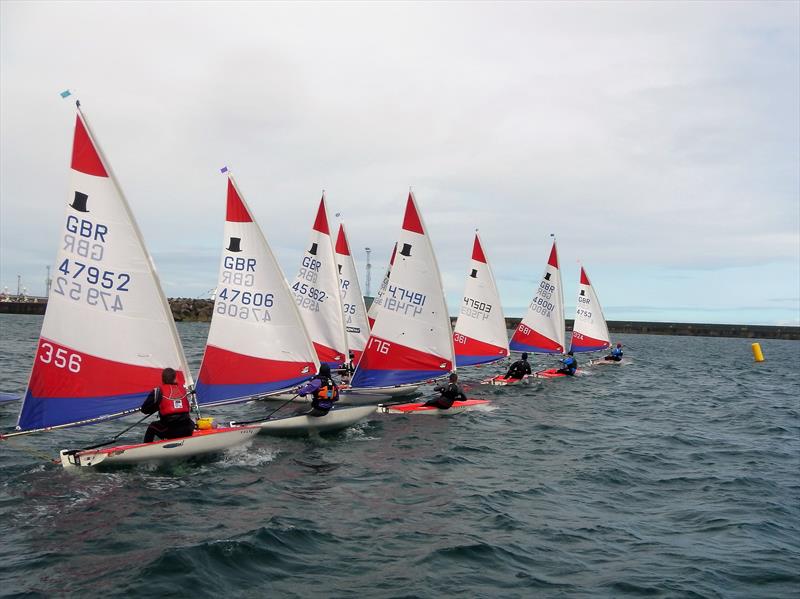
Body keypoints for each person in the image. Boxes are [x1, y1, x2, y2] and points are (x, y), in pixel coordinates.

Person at [140, 368, 195, 443]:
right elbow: (188, 406)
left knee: (152, 426)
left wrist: (158, 406)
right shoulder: (184, 389)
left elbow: (144, 410)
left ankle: (146, 449)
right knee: (189, 421)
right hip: (188, 429)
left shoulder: (158, 391)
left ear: (162, 379)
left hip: (171, 431)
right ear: (175, 378)